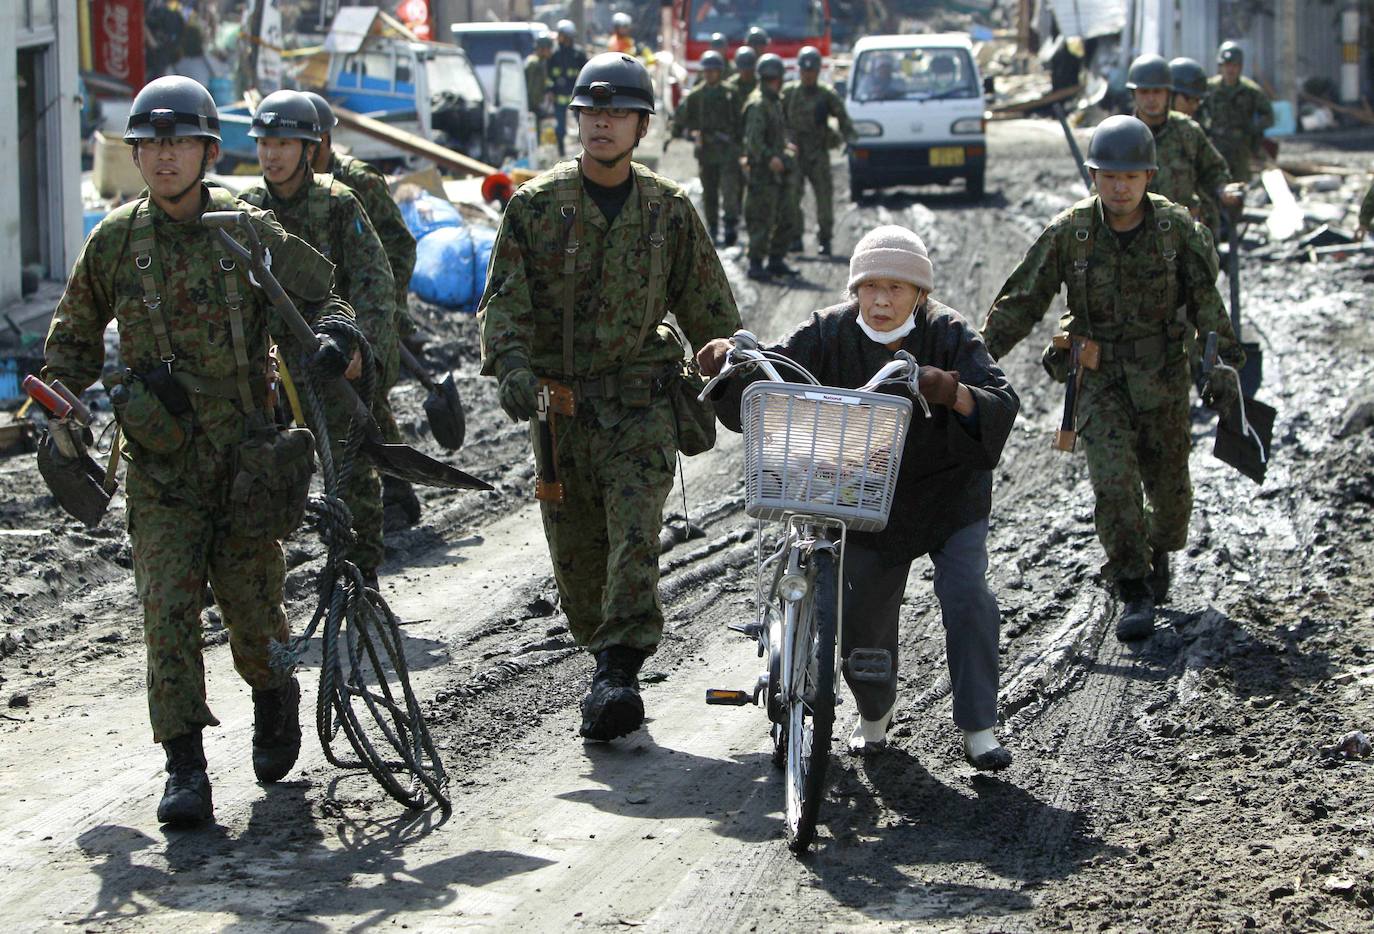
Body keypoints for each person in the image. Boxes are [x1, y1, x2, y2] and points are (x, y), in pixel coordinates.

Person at [41, 76, 355, 824]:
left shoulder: (245, 230)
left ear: (208, 150)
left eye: (178, 143)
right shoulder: (116, 241)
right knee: (167, 612)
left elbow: (322, 297)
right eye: (149, 146)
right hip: (161, 466)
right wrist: (58, 403)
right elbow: (73, 342)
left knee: (254, 615)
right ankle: (184, 766)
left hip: (246, 462)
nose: (163, 159)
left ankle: (275, 693)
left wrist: (338, 337)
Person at [477, 53, 741, 742]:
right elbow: (503, 307)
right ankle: (603, 657)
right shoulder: (536, 208)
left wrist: (729, 361)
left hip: (641, 406)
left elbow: (709, 309)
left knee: (634, 538)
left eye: (616, 112)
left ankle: (619, 673)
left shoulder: (668, 209)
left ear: (641, 125)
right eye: (591, 112)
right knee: (577, 561)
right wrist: (509, 370)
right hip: (561, 414)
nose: (602, 122)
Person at [696, 225, 1019, 768]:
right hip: (864, 500)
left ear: (920, 294)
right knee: (863, 613)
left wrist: (953, 391)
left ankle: (979, 727)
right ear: (855, 290)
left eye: (898, 288)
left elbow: (1000, 399)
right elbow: (772, 372)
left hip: (947, 496)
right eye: (871, 286)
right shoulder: (826, 332)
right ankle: (875, 714)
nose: (883, 300)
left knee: (967, 595)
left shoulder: (949, 332)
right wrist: (730, 362)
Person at [980, 116, 1245, 641]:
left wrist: (1222, 364)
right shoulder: (1070, 233)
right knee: (1114, 483)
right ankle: (1133, 586)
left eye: (1130, 177)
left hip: (1164, 377)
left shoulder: (1177, 232)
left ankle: (1157, 549)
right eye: (1109, 176)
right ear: (1093, 176)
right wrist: (976, 357)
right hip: (1099, 379)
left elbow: (1208, 305)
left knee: (1171, 505)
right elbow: (1022, 301)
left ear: (1149, 176)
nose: (1119, 187)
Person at [241, 90, 398, 588]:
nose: (271, 154)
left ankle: (361, 572)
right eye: (265, 142)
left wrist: (359, 347)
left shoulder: (337, 203)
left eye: (284, 142)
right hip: (272, 364)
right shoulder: (247, 211)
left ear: (309, 148)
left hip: (330, 354)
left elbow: (375, 280)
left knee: (350, 473)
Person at [303, 91, 422, 528]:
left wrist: (387, 311)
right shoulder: (285, 194)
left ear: (325, 141)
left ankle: (394, 490)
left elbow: (398, 246)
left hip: (367, 311)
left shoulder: (358, 183)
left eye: (309, 142)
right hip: (319, 316)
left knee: (368, 401)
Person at [1125, 53, 1239, 233]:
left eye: (1157, 91)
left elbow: (1213, 169)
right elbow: (1102, 188)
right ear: (1134, 94)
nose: (1151, 99)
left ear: (1168, 93)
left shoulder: (1187, 131)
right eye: (1144, 92)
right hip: (1139, 236)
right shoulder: (1122, 135)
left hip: (1183, 233)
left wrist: (1223, 188)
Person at [781, 46, 857, 256]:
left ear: (817, 71)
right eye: (804, 71)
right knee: (792, 196)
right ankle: (795, 237)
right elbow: (775, 117)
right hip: (795, 153)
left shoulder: (826, 95)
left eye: (812, 71)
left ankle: (825, 239)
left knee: (824, 197)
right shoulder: (788, 93)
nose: (808, 75)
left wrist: (849, 140)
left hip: (818, 153)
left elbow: (843, 117)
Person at [673, 50, 742, 245]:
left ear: (720, 72)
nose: (710, 74)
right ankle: (712, 227)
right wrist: (684, 132)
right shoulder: (696, 95)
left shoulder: (730, 93)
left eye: (714, 70)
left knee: (729, 190)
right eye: (707, 71)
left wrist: (739, 144)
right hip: (706, 151)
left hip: (728, 150)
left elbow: (739, 120)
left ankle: (730, 227)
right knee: (709, 191)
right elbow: (683, 117)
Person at [742, 53, 799, 281]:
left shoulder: (774, 101)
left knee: (787, 213)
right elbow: (753, 142)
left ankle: (776, 259)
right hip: (763, 173)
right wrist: (769, 158)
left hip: (778, 170)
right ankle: (756, 263)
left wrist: (785, 149)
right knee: (761, 218)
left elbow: (775, 135)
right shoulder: (758, 104)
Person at [1207, 41, 1274, 184]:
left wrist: (1252, 128)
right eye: (1226, 65)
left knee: (1239, 189)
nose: (1230, 70)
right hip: (1215, 147)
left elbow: (1269, 116)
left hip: (1240, 149)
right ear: (1220, 67)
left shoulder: (1251, 90)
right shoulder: (1210, 88)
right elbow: (1197, 110)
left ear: (1240, 67)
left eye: (1234, 65)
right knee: (1214, 186)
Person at [548, 20, 589, 157]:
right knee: (560, 128)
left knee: (584, 124)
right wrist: (549, 91)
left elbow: (586, 73)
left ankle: (586, 153)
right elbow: (548, 76)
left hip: (576, 97)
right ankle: (561, 153)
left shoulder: (578, 54)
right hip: (559, 96)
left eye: (562, 35)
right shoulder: (554, 54)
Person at [1168, 57, 1210, 126]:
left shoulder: (1196, 128)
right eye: (1190, 99)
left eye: (1198, 100)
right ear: (1171, 95)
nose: (1195, 107)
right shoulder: (1149, 128)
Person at [526, 32, 554, 120]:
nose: (550, 51)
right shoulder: (534, 64)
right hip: (531, 106)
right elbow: (531, 87)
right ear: (542, 49)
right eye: (548, 49)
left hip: (537, 105)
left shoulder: (542, 62)